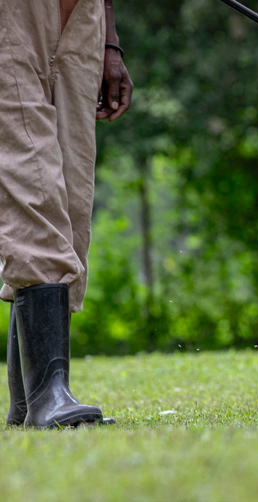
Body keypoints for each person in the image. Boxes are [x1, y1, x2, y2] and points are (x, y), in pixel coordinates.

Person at [0, 0, 133, 428]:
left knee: (72, 203)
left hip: (82, 18)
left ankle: (28, 401)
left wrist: (109, 40)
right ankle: (48, 397)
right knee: (32, 180)